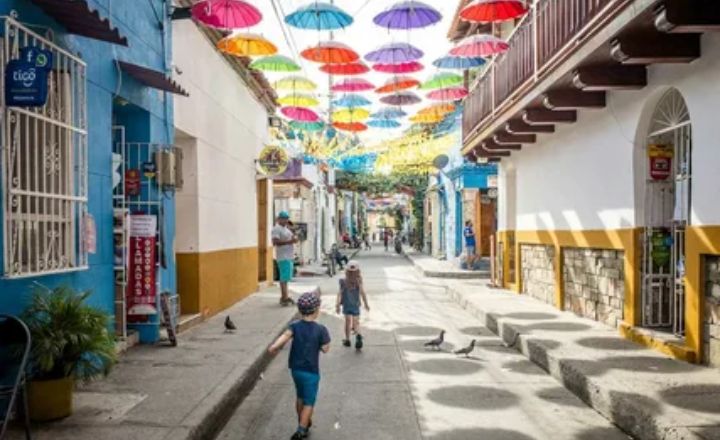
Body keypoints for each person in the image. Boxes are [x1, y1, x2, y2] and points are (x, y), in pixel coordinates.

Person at [269, 291, 331, 440]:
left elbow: (285, 336)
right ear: (316, 311)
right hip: (311, 371)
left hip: (296, 370)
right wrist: (324, 342)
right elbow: (325, 349)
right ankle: (301, 429)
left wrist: (274, 346)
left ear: (300, 310)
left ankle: (303, 421)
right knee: (309, 402)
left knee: (300, 397)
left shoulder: (295, 326)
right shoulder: (321, 329)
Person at [335, 261, 370, 350]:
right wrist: (366, 304)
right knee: (356, 322)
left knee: (347, 323)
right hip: (355, 305)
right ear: (358, 271)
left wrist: (337, 305)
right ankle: (358, 335)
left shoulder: (343, 281)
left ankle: (347, 340)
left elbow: (339, 294)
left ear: (347, 271)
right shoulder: (358, 281)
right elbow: (362, 293)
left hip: (347, 305)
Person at [273, 211, 299, 306]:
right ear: (279, 219)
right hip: (283, 256)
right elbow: (275, 242)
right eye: (283, 218)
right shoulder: (276, 229)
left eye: (286, 218)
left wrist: (294, 239)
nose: (285, 220)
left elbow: (291, 238)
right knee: (284, 278)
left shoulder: (285, 229)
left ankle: (285, 296)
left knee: (286, 278)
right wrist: (290, 241)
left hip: (288, 256)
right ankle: (284, 298)